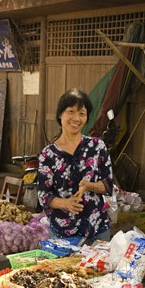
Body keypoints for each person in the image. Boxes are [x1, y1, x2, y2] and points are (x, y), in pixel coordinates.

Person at [37, 88, 113, 243]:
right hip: (62, 233)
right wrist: (66, 203)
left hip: (97, 230)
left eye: (82, 113)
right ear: (60, 114)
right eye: (71, 111)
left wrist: (89, 186)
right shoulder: (48, 154)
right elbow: (44, 196)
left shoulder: (97, 147)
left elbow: (108, 185)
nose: (76, 118)